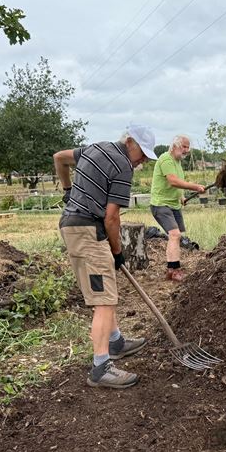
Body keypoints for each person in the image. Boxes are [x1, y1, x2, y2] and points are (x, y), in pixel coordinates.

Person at [53, 125, 158, 389]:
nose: (143, 160)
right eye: (142, 154)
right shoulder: (123, 167)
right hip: (89, 231)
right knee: (104, 300)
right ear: (130, 142)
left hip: (74, 226)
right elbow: (112, 218)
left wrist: (67, 190)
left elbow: (59, 158)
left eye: (146, 157)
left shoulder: (95, 148)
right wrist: (117, 252)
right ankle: (100, 367)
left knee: (106, 292)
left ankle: (116, 341)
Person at [149, 135, 205, 282]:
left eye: (188, 147)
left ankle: (171, 269)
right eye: (184, 147)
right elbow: (173, 181)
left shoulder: (178, 162)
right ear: (175, 146)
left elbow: (178, 183)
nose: (187, 150)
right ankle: (174, 270)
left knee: (178, 235)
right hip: (160, 204)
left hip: (174, 204)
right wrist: (195, 187)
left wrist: (181, 197)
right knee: (175, 235)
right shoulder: (166, 159)